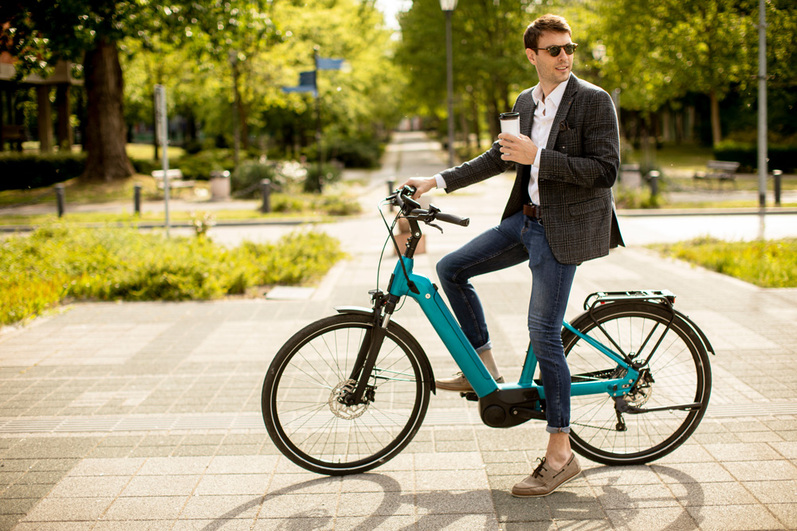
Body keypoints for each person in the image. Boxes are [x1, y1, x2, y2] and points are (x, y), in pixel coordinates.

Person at [401, 13, 623, 497]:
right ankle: (483, 362)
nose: (565, 57)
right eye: (554, 50)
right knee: (450, 268)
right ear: (532, 55)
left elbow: (606, 170)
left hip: (564, 230)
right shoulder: (526, 101)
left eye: (570, 48)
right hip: (525, 220)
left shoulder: (593, 101)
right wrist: (435, 182)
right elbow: (498, 157)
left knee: (543, 333)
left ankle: (561, 455)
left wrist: (538, 157)